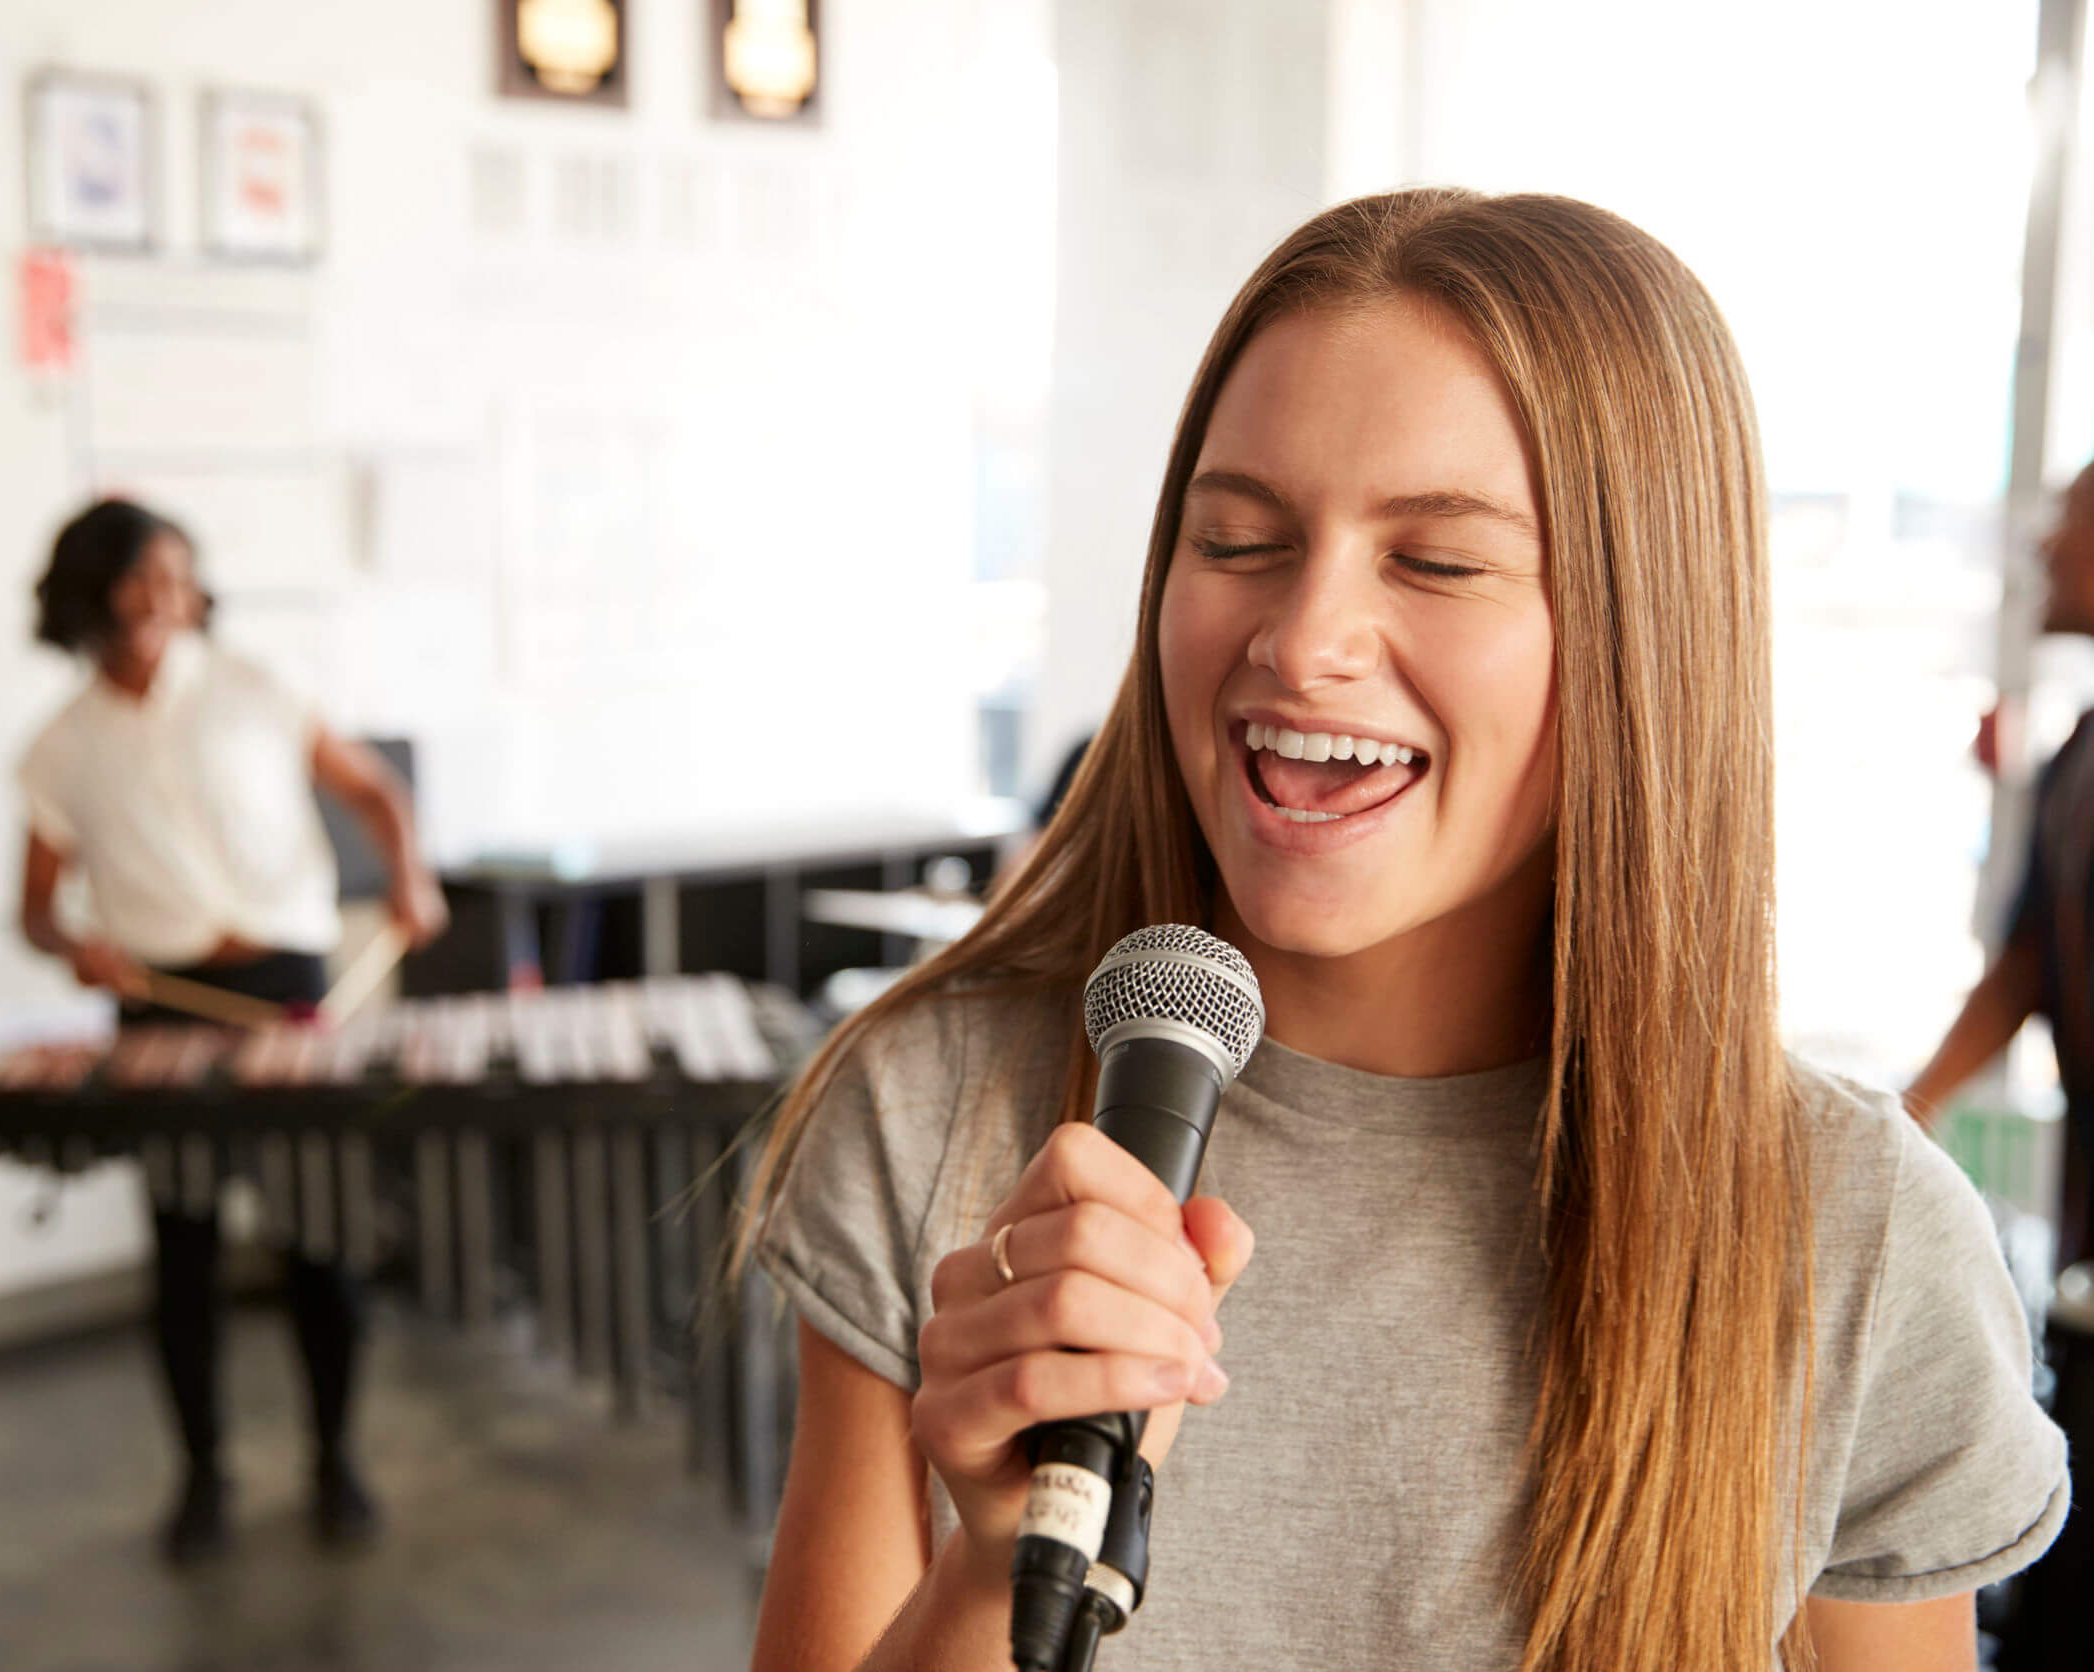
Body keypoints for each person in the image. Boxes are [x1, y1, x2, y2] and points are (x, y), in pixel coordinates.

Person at [738, 190, 2069, 1672]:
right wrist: (994, 1577)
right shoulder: (931, 1113)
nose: (1303, 640)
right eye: (1236, 538)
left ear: (1649, 636)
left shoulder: (1852, 1237)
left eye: (1437, 562)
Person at [16, 498, 448, 1562]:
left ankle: (334, 1459)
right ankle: (203, 1476)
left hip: (289, 987)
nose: (171, 598)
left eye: (182, 575)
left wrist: (408, 876)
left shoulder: (254, 688)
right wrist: (74, 946)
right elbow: (34, 907)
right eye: (145, 577)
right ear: (94, 592)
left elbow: (377, 792)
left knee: (317, 1240)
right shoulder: (59, 747)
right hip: (159, 1004)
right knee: (184, 1249)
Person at [1908, 458, 2094, 1275]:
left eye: (2075, 517)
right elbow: (2025, 966)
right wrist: (1907, 1118)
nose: (2047, 546)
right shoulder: (2080, 756)